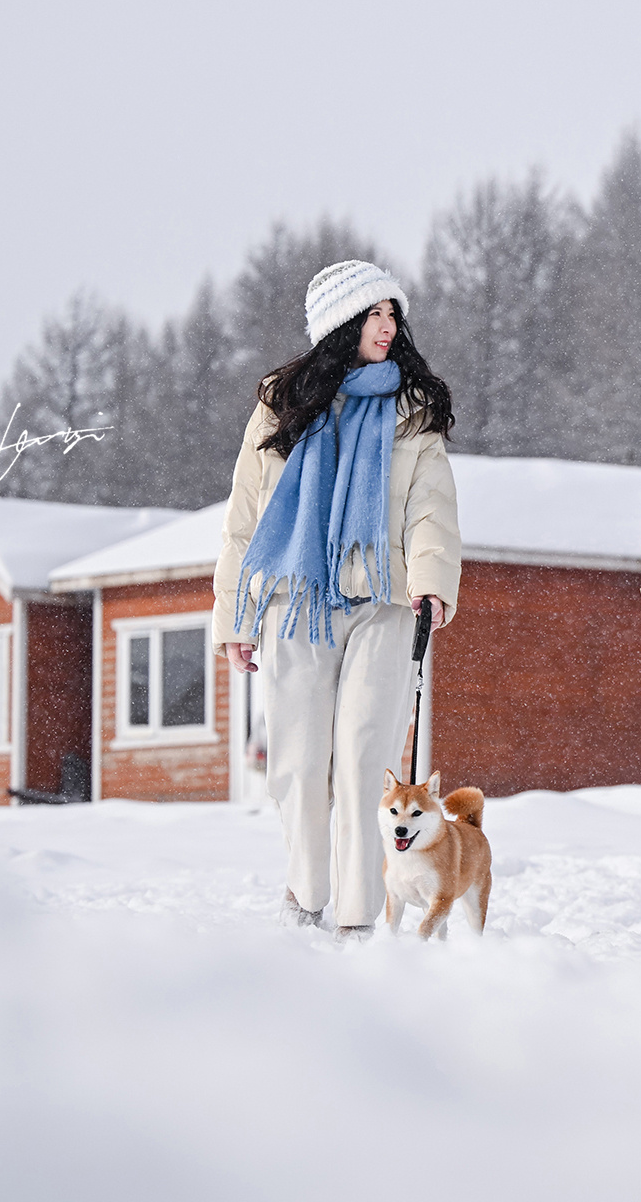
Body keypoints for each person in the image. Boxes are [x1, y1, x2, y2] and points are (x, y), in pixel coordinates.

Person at [213, 260, 461, 940]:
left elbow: (430, 507)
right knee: (297, 760)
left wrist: (433, 581)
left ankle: (355, 916)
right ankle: (306, 891)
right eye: (374, 315)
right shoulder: (283, 403)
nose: (387, 327)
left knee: (360, 759)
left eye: (392, 316)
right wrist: (234, 617)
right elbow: (245, 517)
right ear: (339, 326)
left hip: (383, 600)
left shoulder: (413, 410)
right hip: (298, 600)